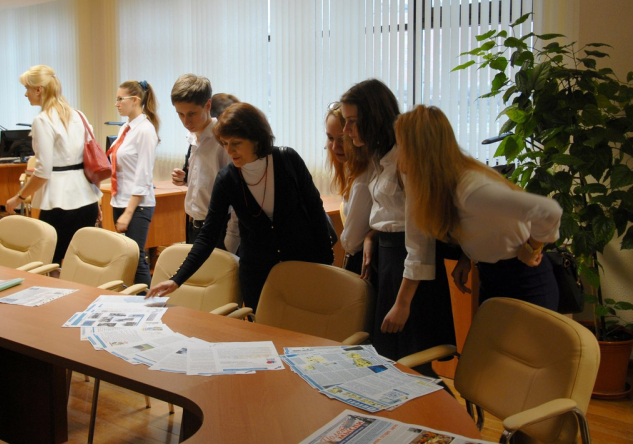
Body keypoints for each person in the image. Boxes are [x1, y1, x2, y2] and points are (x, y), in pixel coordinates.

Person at [147, 103, 334, 310]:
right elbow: (208, 235)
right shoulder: (227, 179)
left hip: (303, 262)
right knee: (261, 325)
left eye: (236, 143)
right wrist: (177, 279)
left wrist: (326, 262)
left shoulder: (287, 160)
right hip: (257, 272)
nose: (229, 151)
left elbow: (315, 210)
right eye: (225, 143)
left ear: (256, 139)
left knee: (305, 323)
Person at [396, 105, 562, 310]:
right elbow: (481, 221)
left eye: (401, 146)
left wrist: (532, 248)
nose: (399, 155)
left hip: (525, 281)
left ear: (419, 151)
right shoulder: (448, 183)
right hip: (491, 276)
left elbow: (549, 210)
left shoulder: (472, 190)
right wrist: (467, 256)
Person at [340, 79, 455, 366]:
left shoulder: (407, 158)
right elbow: (386, 216)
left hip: (410, 275)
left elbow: (420, 240)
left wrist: (403, 303)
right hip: (388, 261)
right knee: (386, 359)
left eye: (352, 121)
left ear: (374, 117)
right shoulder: (378, 155)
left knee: (411, 364)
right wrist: (372, 236)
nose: (345, 131)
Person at [5, 65, 101, 264]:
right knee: (79, 263)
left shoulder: (43, 120)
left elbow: (42, 172)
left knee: (49, 261)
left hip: (60, 202)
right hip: (87, 200)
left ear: (38, 89)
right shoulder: (79, 115)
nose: (25, 94)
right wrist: (95, 198)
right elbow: (90, 163)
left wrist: (18, 197)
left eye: (27, 88)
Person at [169, 74, 238, 251]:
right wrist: (185, 179)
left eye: (192, 114)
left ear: (207, 105)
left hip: (219, 227)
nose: (186, 121)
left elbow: (236, 192)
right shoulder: (192, 137)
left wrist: (231, 237)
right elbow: (207, 179)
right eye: (180, 114)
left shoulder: (223, 140)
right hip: (194, 223)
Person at [107, 79, 160, 287]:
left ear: (135, 100)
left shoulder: (145, 130)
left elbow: (143, 176)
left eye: (121, 99)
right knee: (125, 258)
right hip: (119, 201)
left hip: (137, 205)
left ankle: (150, 302)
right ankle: (130, 299)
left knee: (136, 260)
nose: (116, 104)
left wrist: (128, 213)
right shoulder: (126, 128)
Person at [324, 102, 372, 276]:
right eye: (330, 138)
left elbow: (351, 242)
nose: (335, 147)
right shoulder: (352, 170)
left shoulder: (363, 177)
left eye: (343, 139)